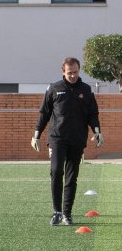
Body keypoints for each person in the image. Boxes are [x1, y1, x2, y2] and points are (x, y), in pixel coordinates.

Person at [31, 57, 104, 226]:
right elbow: (44, 114)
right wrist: (36, 135)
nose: (73, 75)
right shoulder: (54, 89)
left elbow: (92, 114)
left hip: (77, 139)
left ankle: (67, 214)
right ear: (63, 72)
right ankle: (56, 212)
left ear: (79, 71)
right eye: (69, 72)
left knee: (72, 177)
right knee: (56, 172)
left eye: (76, 72)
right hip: (57, 138)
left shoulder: (86, 90)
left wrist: (97, 131)